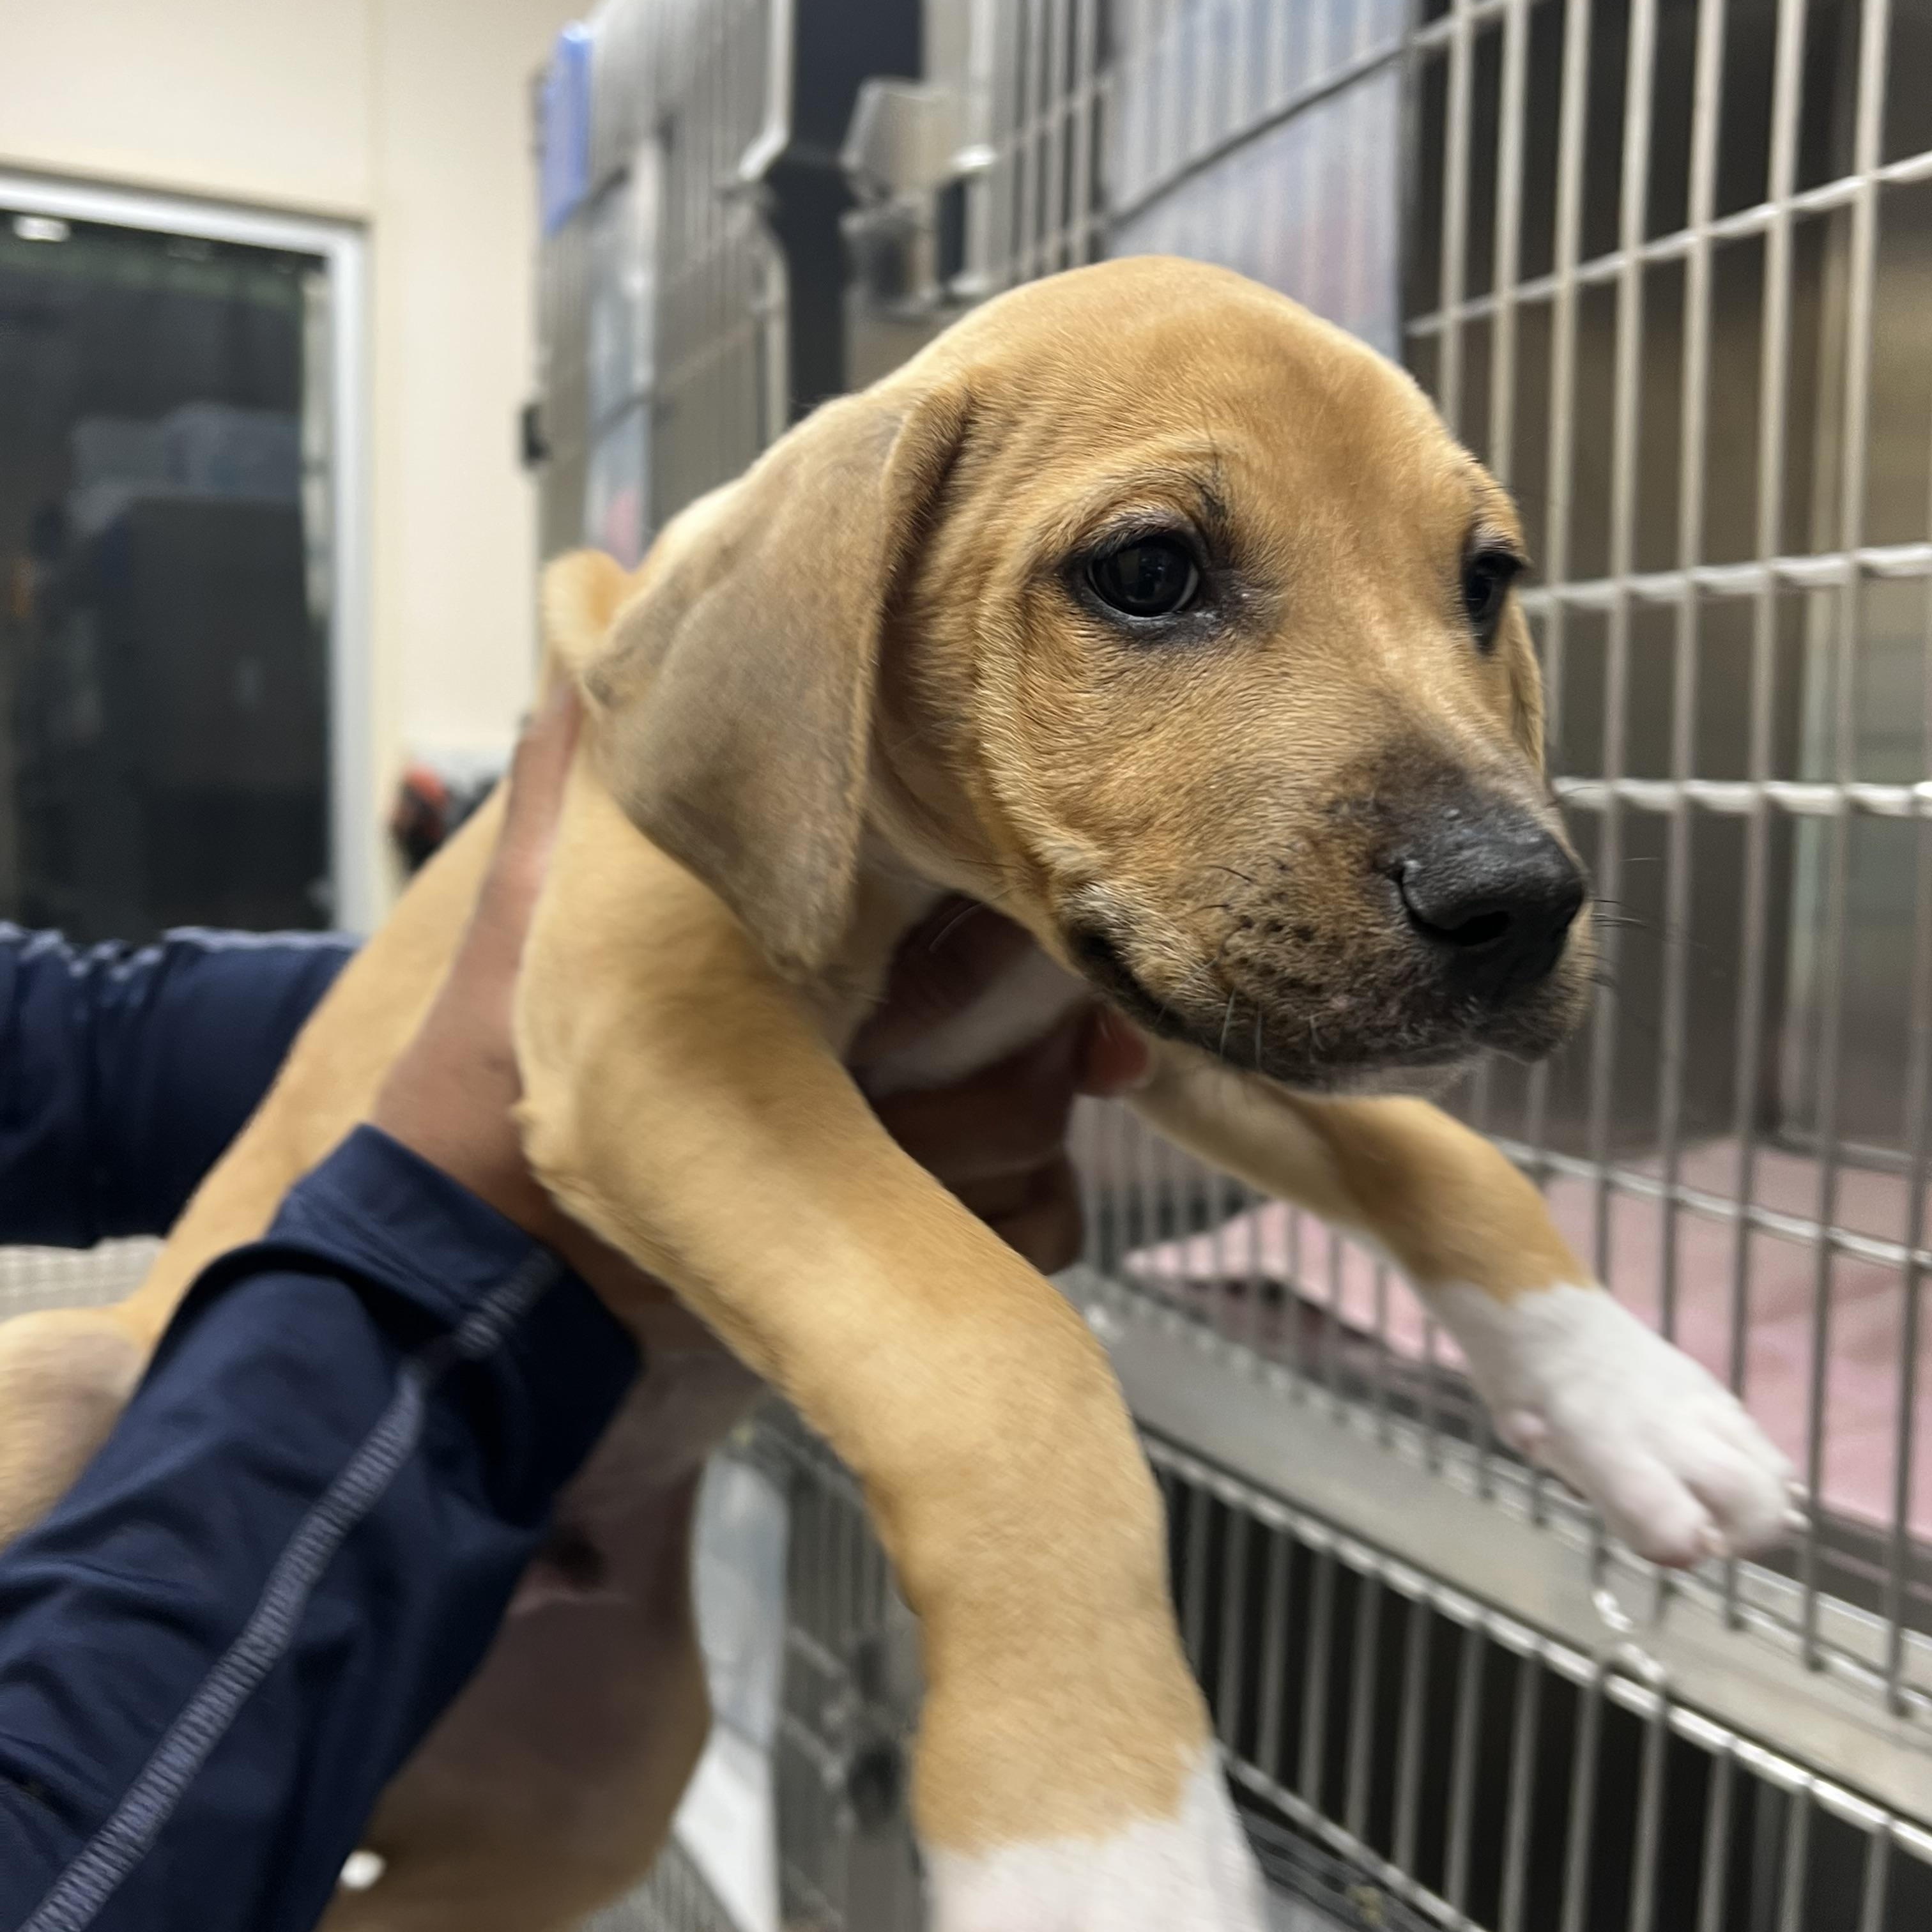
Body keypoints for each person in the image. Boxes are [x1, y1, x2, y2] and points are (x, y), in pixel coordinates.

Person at [0, 686, 1146, 1932]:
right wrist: (457, 1235)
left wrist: (631, 1014)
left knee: (591, 1816)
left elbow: (65, 1043)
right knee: (56, 1397)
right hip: (350, 1483)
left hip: (531, 1589)